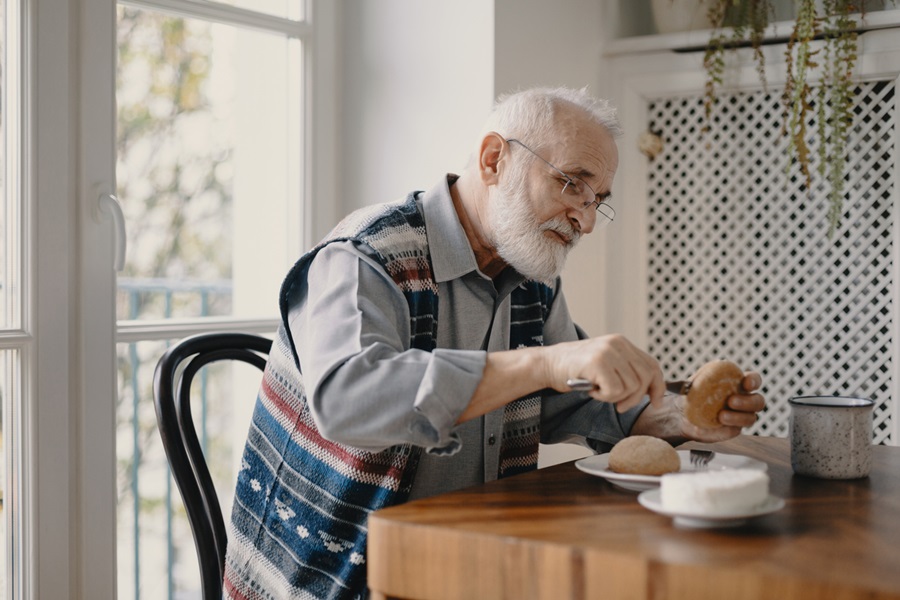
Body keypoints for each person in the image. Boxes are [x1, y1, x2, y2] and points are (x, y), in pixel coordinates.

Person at [223, 86, 765, 600]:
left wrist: (679, 420)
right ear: (493, 160)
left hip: (470, 557)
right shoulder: (365, 254)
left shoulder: (533, 276)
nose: (586, 220)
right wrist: (546, 361)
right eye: (572, 183)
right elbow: (349, 401)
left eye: (597, 198)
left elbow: (562, 397)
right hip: (331, 579)